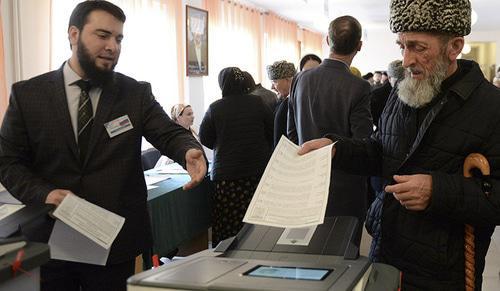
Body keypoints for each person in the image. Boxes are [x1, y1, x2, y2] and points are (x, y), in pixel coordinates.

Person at [0, 2, 207, 290]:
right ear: (73, 34)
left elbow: (167, 132)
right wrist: (45, 193)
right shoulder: (28, 95)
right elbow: (8, 162)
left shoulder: (134, 93)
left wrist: (187, 149)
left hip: (114, 241)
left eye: (118, 38)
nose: (112, 46)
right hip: (49, 240)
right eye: (102, 35)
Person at [298, 0, 500, 289]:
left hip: (442, 274)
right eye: (401, 46)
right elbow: (381, 152)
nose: (406, 60)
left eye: (418, 47)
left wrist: (438, 191)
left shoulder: (491, 108)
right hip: (385, 255)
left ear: (454, 47)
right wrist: (335, 148)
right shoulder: (404, 91)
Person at [288, 15, 372, 247]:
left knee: (308, 256)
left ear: (327, 40)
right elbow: (363, 142)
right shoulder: (360, 87)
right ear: (359, 46)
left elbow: (292, 133)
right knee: (342, 261)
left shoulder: (300, 79)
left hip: (306, 182)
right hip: (345, 189)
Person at [199, 67, 273, 246]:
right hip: (257, 173)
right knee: (257, 224)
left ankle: (227, 265)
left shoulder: (215, 108)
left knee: (229, 227)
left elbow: (205, 138)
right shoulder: (258, 102)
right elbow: (271, 131)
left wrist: (223, 145)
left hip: (227, 177)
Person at [155, 104, 200, 168]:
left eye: (192, 114)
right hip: (170, 166)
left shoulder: (193, 134)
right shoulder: (173, 135)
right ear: (178, 117)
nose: (193, 116)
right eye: (189, 114)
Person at [266, 60, 296, 147]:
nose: (272, 87)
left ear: (288, 80)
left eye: (274, 82)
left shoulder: (291, 102)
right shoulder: (282, 101)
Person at [370, 60, 404, 126]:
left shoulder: (410, 92)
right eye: (398, 80)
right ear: (389, 78)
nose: (402, 83)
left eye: (403, 79)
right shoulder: (377, 94)